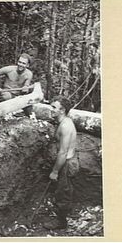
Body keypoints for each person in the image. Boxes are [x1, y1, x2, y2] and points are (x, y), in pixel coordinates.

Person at [43, 96, 79, 230]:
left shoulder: (65, 126)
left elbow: (63, 152)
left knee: (62, 193)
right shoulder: (64, 122)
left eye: (54, 107)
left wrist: (55, 171)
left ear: (62, 110)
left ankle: (61, 222)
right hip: (67, 162)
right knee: (64, 190)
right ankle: (64, 213)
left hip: (66, 163)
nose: (51, 109)